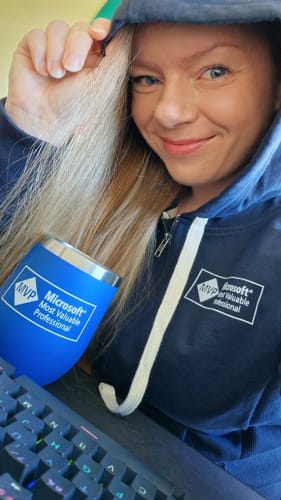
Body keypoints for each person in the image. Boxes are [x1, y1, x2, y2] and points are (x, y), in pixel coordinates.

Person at [1, 0, 281, 497]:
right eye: (145, 79)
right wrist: (26, 133)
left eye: (214, 70)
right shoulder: (116, 184)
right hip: (60, 447)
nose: (168, 113)